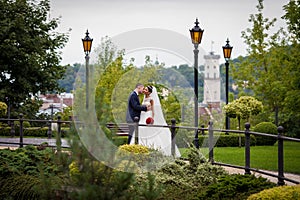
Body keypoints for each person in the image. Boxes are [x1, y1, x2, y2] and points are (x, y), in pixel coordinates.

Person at [131, 85, 181, 157]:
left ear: (149, 92)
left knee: (149, 130)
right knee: (141, 129)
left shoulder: (151, 99)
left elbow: (153, 110)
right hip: (143, 116)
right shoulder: (144, 98)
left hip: (148, 115)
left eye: (146, 90)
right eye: (144, 89)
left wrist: (152, 118)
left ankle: (153, 148)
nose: (144, 91)